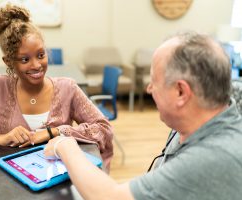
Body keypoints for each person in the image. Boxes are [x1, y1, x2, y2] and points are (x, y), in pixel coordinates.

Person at [44, 31, 242, 200]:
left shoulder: (210, 158)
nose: (148, 89)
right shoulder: (194, 126)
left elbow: (107, 197)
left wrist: (65, 145)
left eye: (154, 81)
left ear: (181, 92)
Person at [0, 4, 113, 168]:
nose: (36, 65)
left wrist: (54, 131)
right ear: (9, 62)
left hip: (57, 180)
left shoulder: (67, 88)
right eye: (24, 60)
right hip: (9, 179)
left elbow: (104, 129)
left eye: (41, 55)